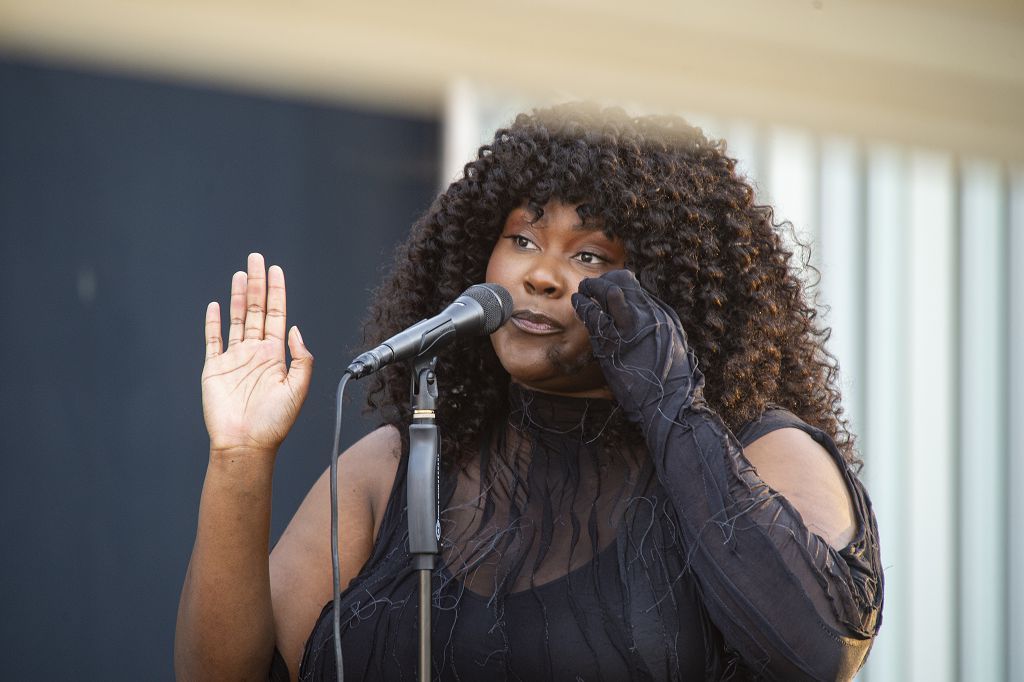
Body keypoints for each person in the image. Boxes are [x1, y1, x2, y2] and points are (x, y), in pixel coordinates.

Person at [174, 104, 883, 681]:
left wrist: (668, 397)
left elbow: (819, 649)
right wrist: (239, 457)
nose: (541, 276)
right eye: (522, 239)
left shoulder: (764, 452)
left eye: (588, 255)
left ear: (671, 291)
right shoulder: (397, 465)